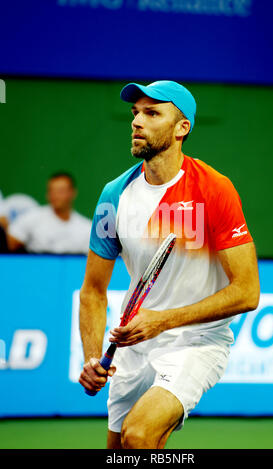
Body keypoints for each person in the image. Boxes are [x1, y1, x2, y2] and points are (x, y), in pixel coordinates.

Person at [78, 80, 260, 449]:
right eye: (135, 113)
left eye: (152, 113)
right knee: (120, 450)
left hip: (197, 340)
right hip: (135, 343)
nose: (137, 122)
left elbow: (247, 292)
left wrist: (163, 321)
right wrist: (93, 357)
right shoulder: (114, 196)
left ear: (182, 128)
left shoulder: (214, 189)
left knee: (139, 434)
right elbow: (93, 292)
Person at [7, 172, 92, 254]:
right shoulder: (31, 218)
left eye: (60, 191)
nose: (55, 196)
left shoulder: (87, 228)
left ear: (72, 193)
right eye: (52, 191)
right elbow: (10, 246)